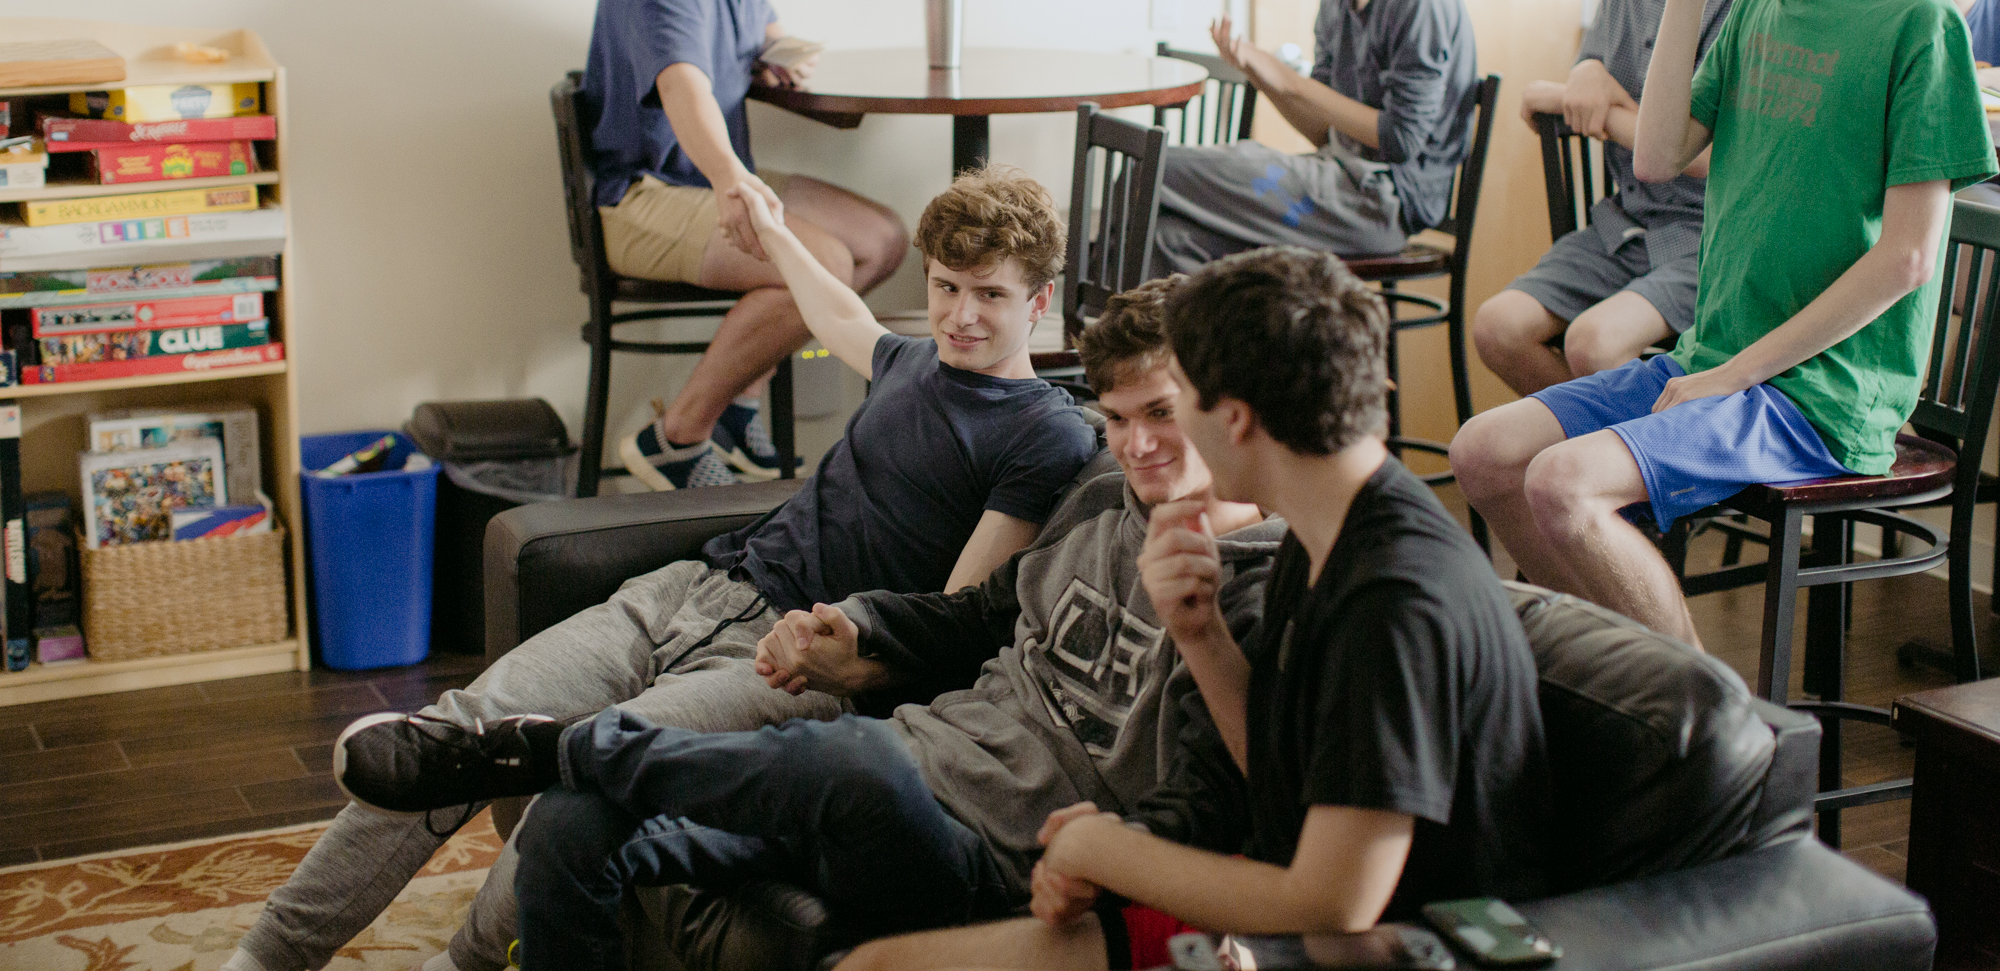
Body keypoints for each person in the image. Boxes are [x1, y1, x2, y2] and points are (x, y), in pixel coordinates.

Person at [221, 167, 1097, 971]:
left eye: (991, 295)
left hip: (787, 662)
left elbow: (943, 614)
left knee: (588, 765)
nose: (961, 316)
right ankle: (266, 956)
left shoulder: (1042, 432)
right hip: (692, 588)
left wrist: (845, 649)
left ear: (1041, 300)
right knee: (457, 732)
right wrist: (772, 225)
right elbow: (835, 310)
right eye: (946, 288)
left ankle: (465, 963)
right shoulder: (910, 360)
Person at [330, 277, 1285, 971]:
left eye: (1159, 411)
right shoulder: (1100, 501)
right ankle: (570, 769)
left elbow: (1218, 806)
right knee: (577, 827)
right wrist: (860, 632)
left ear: (1227, 406)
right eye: (1116, 419)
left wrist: (1102, 864)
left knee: (851, 764)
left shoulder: (1260, 590)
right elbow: (972, 620)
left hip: (985, 851)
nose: (1136, 444)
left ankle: (549, 749)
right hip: (919, 753)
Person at [842, 248, 1549, 971]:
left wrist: (1110, 850)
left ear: (1234, 418)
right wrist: (1201, 632)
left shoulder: (1394, 602)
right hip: (1277, 925)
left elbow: (1339, 902)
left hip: (1393, 945)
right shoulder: (1333, 525)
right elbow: (1272, 783)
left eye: (1178, 398)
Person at [1451, 0, 2000, 645]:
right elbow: (1660, 154)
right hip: (1719, 354)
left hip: (1823, 391)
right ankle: (1622, 674)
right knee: (1483, 453)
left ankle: (1713, 739)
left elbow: (1907, 259)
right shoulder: (1752, 6)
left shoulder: (1917, 22)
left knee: (1562, 482)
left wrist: (1730, 374)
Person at [583, 0, 909, 488]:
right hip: (642, 196)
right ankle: (677, 434)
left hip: (697, 175)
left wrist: (768, 51)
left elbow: (751, 20)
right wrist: (736, 183)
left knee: (882, 239)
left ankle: (739, 403)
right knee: (821, 263)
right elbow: (683, 86)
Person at [1478, 0, 1760, 395]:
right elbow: (1591, 71)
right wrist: (1583, 78)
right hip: (1624, 221)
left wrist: (1604, 112)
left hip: (1707, 239)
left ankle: (1631, 479)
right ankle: (1579, 470)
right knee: (1497, 327)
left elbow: (1714, 158)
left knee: (1593, 343)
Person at [1148, 0, 1479, 273]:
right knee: (1166, 238)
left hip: (1385, 202)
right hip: (1337, 182)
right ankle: (1175, 342)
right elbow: (1324, 133)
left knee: (1153, 164)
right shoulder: (1336, 3)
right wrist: (1261, 74)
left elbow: (1401, 140)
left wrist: (1289, 80)